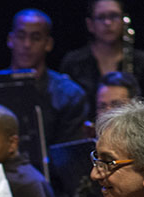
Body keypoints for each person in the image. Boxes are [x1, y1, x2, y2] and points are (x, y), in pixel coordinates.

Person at [7, 8, 88, 146]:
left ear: (48, 44)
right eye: (21, 36)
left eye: (36, 38)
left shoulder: (70, 95)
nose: (27, 44)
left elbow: (66, 153)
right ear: (10, 40)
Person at [60, 0, 144, 116]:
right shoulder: (73, 62)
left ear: (124, 21)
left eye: (114, 16)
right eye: (101, 17)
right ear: (90, 24)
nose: (108, 22)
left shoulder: (140, 60)